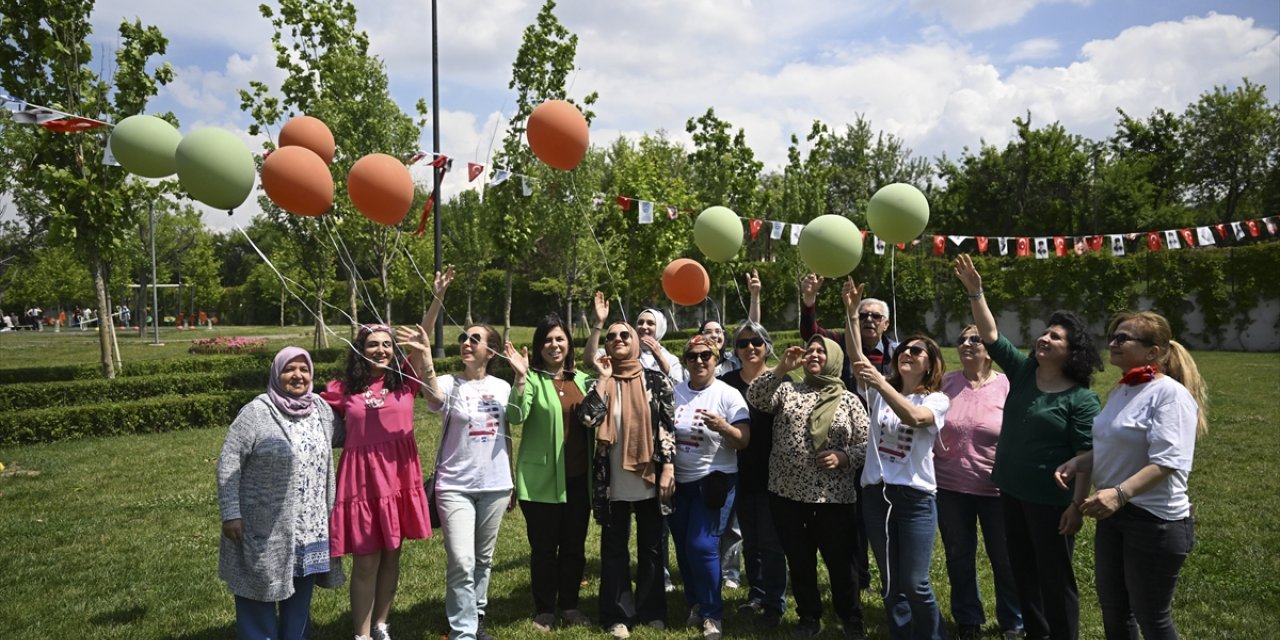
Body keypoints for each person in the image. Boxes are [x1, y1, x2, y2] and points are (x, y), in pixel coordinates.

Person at [953, 254, 1102, 640]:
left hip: (1051, 504)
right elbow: (991, 336)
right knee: (1023, 575)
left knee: (1055, 580)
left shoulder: (1081, 400)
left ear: (1072, 352)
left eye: (1055, 337)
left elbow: (1086, 457)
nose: (1044, 338)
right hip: (1011, 493)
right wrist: (976, 292)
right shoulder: (1023, 373)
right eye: (1045, 332)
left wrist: (1076, 506)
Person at [1055, 311, 1206, 640]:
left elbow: (1168, 461)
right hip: (1115, 517)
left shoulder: (1170, 395)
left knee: (1152, 618)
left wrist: (1119, 493)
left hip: (1155, 521)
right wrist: (1079, 464)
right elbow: (1114, 444)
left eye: (1123, 338)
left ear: (1153, 352)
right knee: (1115, 610)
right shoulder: (1122, 390)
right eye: (1112, 336)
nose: (1113, 343)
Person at [409, 268, 515, 640]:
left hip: (496, 486)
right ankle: (463, 632)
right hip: (453, 486)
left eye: (475, 339)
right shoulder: (449, 384)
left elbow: (513, 429)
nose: (466, 343)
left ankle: (477, 614)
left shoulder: (503, 386)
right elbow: (428, 380)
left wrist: (522, 378)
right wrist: (437, 301)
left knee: (483, 560)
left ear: (492, 350)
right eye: (463, 338)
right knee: (462, 559)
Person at [217, 347, 345, 640]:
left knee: (299, 600)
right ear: (276, 373)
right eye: (290, 369)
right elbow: (228, 462)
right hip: (264, 527)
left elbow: (354, 433)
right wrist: (231, 513)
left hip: (310, 526)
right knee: (257, 591)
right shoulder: (257, 412)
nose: (297, 375)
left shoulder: (322, 411)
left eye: (304, 369)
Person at [748, 335, 869, 640]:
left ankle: (850, 617)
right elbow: (756, 396)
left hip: (834, 497)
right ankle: (808, 616)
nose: (814, 354)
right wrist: (780, 368)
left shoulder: (849, 400)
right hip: (786, 495)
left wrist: (843, 456)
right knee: (800, 560)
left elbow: (867, 445)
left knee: (842, 564)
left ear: (834, 358)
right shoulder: (788, 390)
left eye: (821, 350)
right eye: (810, 350)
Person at [323, 325, 433, 640]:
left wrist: (438, 297)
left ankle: (381, 624)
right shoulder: (343, 389)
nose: (381, 350)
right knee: (366, 560)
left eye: (387, 344)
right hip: (362, 482)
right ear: (360, 349)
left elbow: (419, 337)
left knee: (391, 555)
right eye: (373, 344)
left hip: (399, 478)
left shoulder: (405, 380)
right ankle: (362, 634)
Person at [576, 320, 676, 639]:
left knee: (652, 548)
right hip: (613, 482)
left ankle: (652, 611)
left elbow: (667, 428)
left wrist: (669, 468)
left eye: (624, 335)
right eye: (611, 337)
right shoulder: (601, 381)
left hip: (650, 477)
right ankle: (617, 615)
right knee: (615, 550)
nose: (617, 339)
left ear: (634, 341)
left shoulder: (656, 380)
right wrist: (604, 381)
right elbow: (588, 418)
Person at [799, 272, 894, 591]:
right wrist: (809, 302)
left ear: (885, 323)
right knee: (854, 518)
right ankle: (861, 579)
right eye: (863, 314)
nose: (868, 320)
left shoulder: (898, 353)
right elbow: (811, 335)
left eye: (875, 316)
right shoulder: (841, 341)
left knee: (885, 516)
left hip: (888, 447)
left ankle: (891, 579)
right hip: (848, 445)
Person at [504, 314, 595, 631]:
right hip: (541, 481)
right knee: (544, 550)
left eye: (560, 339)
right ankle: (545, 609)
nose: (554, 345)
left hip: (578, 480)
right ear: (539, 346)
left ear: (568, 343)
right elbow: (515, 416)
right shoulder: (531, 380)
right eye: (547, 340)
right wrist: (519, 377)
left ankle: (569, 605)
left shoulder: (582, 381)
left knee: (574, 547)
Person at [934, 325, 1023, 640]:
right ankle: (967, 618)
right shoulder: (944, 384)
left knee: (1006, 557)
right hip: (949, 488)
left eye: (975, 339)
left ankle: (1013, 620)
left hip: (997, 489)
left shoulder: (1008, 385)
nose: (967, 343)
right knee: (958, 554)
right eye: (962, 340)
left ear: (991, 349)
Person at [670, 335, 751, 640]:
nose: (700, 361)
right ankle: (696, 602)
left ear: (716, 360)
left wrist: (724, 427)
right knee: (684, 546)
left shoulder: (727, 395)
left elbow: (743, 440)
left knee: (702, 546)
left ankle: (712, 614)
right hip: (678, 481)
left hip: (714, 480)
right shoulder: (675, 393)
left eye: (706, 355)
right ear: (685, 361)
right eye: (693, 356)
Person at [718, 321, 787, 629]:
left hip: (775, 474)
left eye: (756, 342)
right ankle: (756, 594)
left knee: (772, 543)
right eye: (743, 343)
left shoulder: (783, 382)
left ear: (767, 345)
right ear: (735, 350)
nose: (750, 348)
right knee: (751, 540)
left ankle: (774, 602)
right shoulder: (726, 382)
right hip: (738, 471)